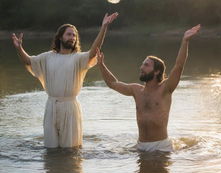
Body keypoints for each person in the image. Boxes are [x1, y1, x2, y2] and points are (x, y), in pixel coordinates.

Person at [12, 12, 118, 148]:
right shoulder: (47, 57)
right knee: (50, 148)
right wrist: (19, 48)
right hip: (51, 105)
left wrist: (104, 27)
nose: (72, 37)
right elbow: (28, 61)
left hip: (70, 106)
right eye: (69, 34)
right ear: (60, 37)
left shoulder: (78, 58)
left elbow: (93, 51)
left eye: (74, 35)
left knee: (70, 149)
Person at [97, 24, 201, 152]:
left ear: (157, 71)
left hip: (161, 147)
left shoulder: (165, 89)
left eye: (146, 65)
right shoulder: (136, 90)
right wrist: (101, 65)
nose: (141, 68)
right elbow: (112, 83)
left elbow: (179, 66)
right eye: (142, 65)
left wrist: (185, 41)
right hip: (141, 146)